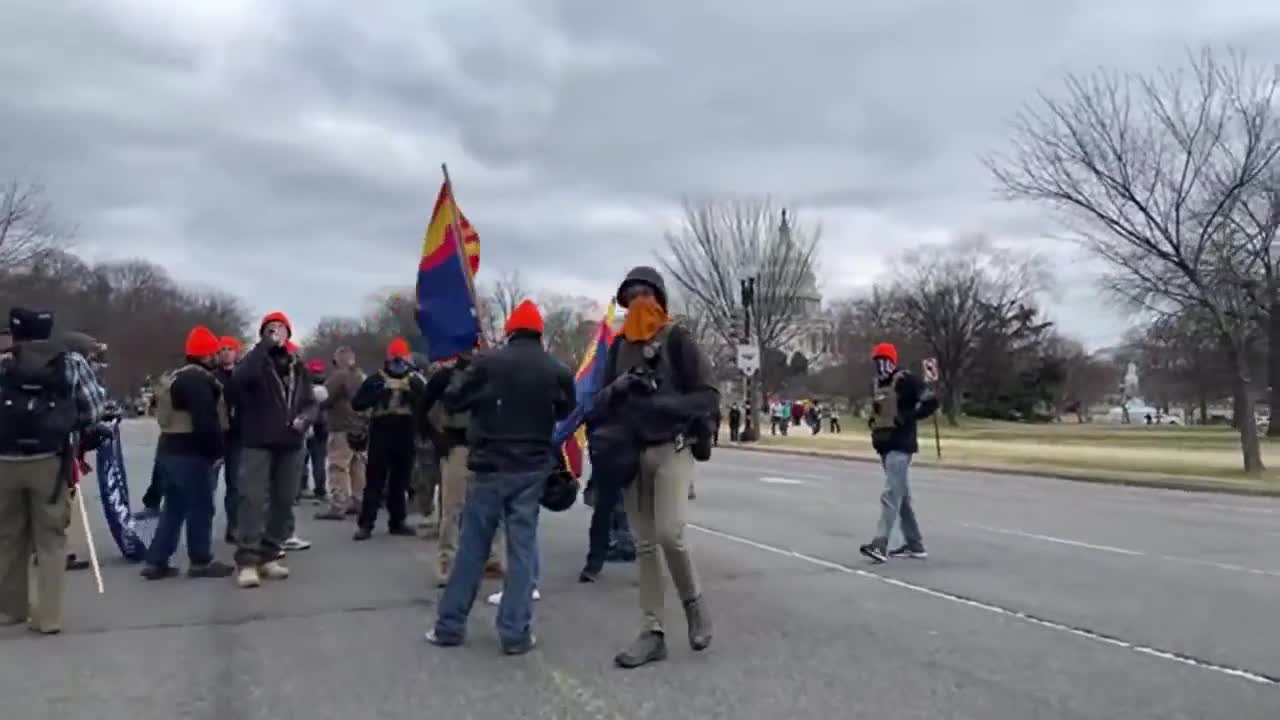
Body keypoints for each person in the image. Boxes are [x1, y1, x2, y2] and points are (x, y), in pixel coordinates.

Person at [426, 300, 574, 655]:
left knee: (472, 549)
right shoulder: (555, 368)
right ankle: (515, 633)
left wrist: (467, 375)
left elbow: (453, 400)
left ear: (510, 330)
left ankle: (449, 626)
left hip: (489, 465)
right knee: (522, 551)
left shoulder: (488, 364)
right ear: (539, 332)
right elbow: (566, 410)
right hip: (531, 469)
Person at [594, 266, 718, 669]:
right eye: (631, 297)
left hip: (672, 447)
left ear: (660, 299)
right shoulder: (617, 348)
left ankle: (694, 606)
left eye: (646, 294)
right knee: (643, 543)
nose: (638, 303)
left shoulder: (678, 340)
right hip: (632, 452)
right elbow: (600, 402)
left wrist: (660, 403)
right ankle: (652, 631)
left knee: (669, 533)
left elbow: (707, 398)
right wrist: (622, 387)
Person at [0, 308, 107, 634]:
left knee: (7, 537)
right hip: (51, 459)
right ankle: (48, 617)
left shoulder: (4, 363)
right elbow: (94, 409)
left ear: (15, 333)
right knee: (51, 540)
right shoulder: (70, 362)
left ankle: (10, 609)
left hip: (4, 461)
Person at [230, 311, 319, 588]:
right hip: (258, 441)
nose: (277, 332)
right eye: (271, 328)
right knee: (253, 500)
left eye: (281, 328)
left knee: (284, 500)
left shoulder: (298, 367)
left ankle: (270, 554)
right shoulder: (255, 362)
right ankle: (247, 560)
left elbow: (310, 401)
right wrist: (263, 347)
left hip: (291, 442)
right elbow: (239, 380)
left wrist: (305, 418)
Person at [140, 327, 236, 580]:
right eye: (214, 352)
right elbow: (205, 420)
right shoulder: (198, 381)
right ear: (206, 355)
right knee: (201, 507)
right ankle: (201, 560)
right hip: (191, 453)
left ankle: (156, 560)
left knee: (174, 507)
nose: (217, 356)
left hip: (168, 449)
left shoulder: (175, 376)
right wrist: (216, 451)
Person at [418, 345, 505, 587]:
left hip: (487, 446)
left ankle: (491, 558)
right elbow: (422, 408)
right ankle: (447, 562)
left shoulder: (491, 375)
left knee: (490, 505)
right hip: (458, 445)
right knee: (453, 508)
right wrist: (437, 439)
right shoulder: (445, 377)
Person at [859, 342, 938, 564]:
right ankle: (915, 544)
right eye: (876, 360)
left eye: (884, 359)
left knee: (890, 494)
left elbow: (931, 402)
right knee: (900, 496)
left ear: (892, 360)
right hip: (884, 444)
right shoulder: (877, 384)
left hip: (901, 445)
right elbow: (878, 411)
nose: (880, 364)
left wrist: (909, 417)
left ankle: (880, 544)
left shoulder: (906, 380)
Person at [351, 338, 425, 540]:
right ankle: (366, 523)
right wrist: (377, 393)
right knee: (375, 479)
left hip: (405, 430)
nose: (398, 361)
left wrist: (413, 395)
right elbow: (357, 403)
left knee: (400, 480)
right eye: (395, 356)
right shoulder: (376, 379)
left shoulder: (415, 380)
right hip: (381, 430)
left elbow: (426, 405)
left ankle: (397, 521)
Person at [315, 346, 367, 520]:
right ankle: (359, 501)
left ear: (337, 359)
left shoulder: (339, 376)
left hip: (341, 427)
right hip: (360, 427)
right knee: (357, 466)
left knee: (337, 466)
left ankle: (339, 504)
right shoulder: (361, 376)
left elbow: (323, 397)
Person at [215, 336, 243, 543]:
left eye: (229, 349)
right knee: (208, 484)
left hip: (237, 435)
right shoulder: (212, 376)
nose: (225, 352)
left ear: (236, 352)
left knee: (235, 484)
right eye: (222, 349)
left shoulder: (242, 375)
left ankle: (234, 525)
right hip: (215, 435)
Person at [298, 359, 329, 503]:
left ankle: (301, 487)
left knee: (301, 460)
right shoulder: (327, 389)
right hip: (321, 428)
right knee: (319, 461)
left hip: (306, 427)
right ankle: (320, 490)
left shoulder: (304, 389)